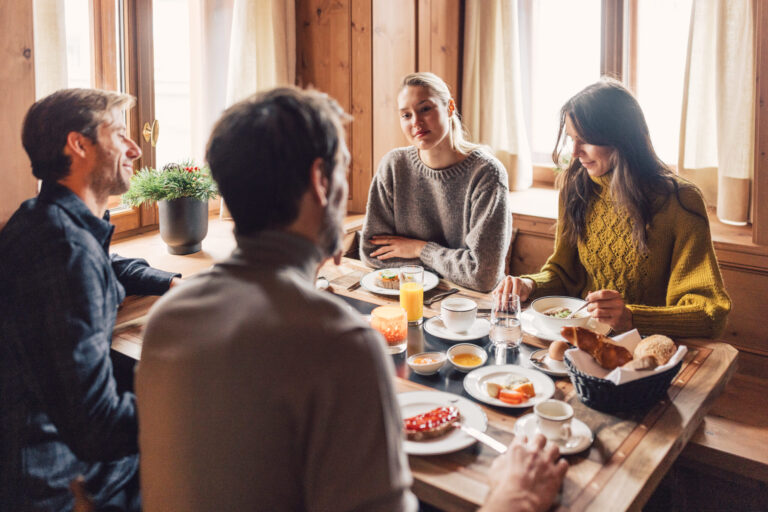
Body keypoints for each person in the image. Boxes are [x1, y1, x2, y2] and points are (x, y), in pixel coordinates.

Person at [135, 86, 566, 512]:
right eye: (344, 170)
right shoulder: (342, 345)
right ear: (321, 182)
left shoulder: (169, 318)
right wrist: (514, 499)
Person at [0, 89, 181, 511]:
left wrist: (169, 283)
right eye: (120, 134)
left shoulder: (39, 218)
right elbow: (96, 427)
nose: (135, 148)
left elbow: (105, 259)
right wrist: (193, 403)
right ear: (78, 145)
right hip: (61, 484)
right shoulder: (65, 253)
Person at [497, 78, 730, 338]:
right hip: (580, 342)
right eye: (571, 139)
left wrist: (632, 318)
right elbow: (563, 274)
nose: (574, 152)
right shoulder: (575, 188)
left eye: (585, 140)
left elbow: (710, 314)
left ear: (621, 138)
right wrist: (529, 284)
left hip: (647, 351)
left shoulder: (680, 201)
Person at [360, 72, 511, 292]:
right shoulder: (393, 165)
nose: (416, 122)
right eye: (406, 115)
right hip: (405, 296)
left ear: (450, 108)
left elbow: (482, 276)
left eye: (425, 109)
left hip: (470, 306)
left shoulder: (487, 174)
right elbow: (372, 253)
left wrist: (420, 250)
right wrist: (453, 267)